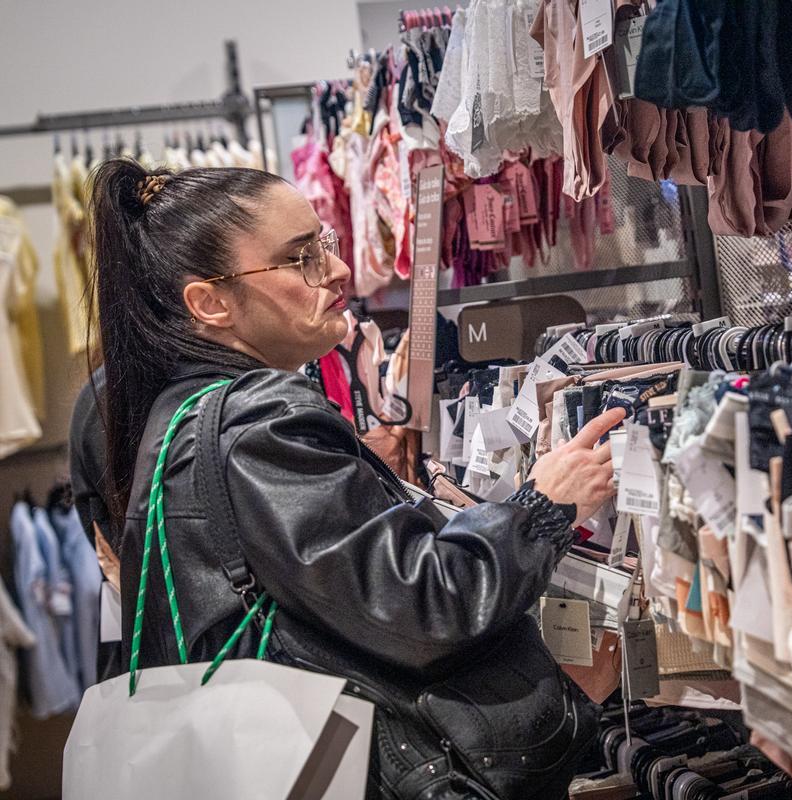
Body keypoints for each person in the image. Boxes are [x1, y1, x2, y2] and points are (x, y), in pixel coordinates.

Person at [74, 158, 622, 800]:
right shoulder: (259, 427)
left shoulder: (176, 416)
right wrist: (543, 507)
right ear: (211, 302)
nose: (334, 270)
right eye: (301, 257)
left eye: (325, 243)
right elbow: (423, 606)